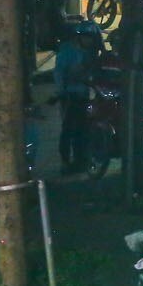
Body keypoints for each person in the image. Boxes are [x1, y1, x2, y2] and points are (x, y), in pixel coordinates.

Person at [54, 22, 95, 174]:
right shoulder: (67, 51)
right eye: (87, 37)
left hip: (83, 94)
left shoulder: (87, 52)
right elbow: (59, 73)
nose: (89, 41)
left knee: (83, 129)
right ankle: (65, 161)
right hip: (69, 95)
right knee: (68, 129)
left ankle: (81, 159)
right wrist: (61, 91)